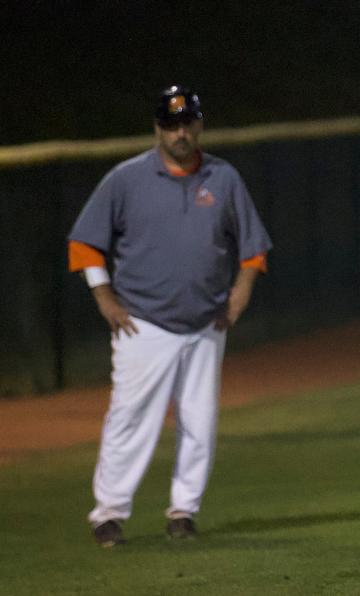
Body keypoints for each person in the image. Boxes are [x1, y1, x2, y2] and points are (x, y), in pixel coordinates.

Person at [67, 85, 273, 547]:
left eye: (187, 123)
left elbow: (253, 247)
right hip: (143, 322)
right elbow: (84, 242)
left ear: (199, 125)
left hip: (206, 323)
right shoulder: (126, 179)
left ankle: (184, 511)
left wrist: (241, 292)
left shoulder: (223, 178)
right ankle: (109, 514)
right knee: (131, 418)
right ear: (157, 128)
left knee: (199, 422)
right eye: (171, 124)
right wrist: (105, 298)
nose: (180, 132)